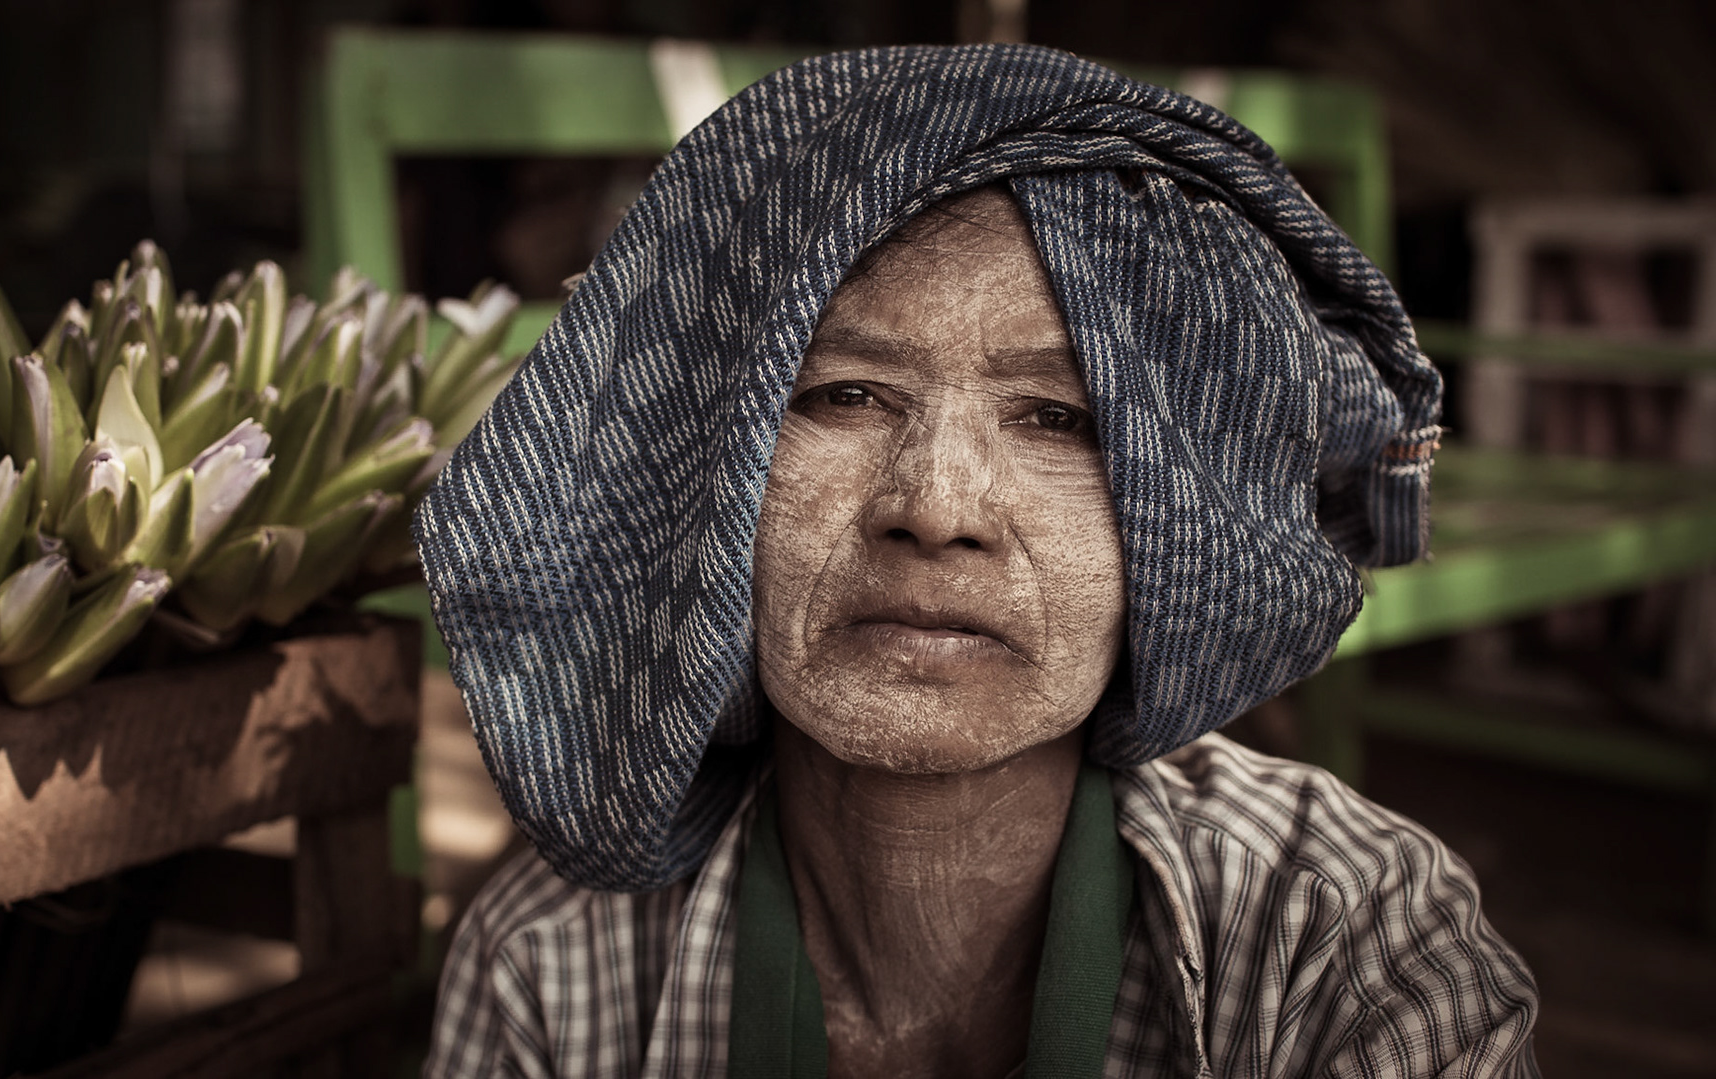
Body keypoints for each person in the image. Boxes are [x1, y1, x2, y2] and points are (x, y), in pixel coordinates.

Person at [414, 43, 1539, 1078]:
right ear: (708, 474)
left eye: (1059, 417)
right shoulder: (552, 967)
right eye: (845, 394)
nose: (937, 508)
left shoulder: (1347, 945)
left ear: (1182, 513)